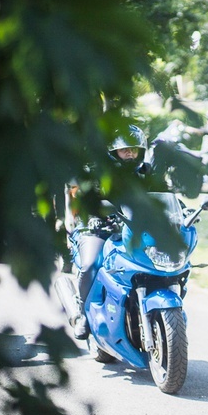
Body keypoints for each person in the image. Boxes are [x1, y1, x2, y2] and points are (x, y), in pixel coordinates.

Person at [70, 125, 148, 339]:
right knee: (90, 265)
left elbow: (164, 198)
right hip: (98, 229)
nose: (130, 154)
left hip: (132, 232)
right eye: (125, 150)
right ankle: (82, 312)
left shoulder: (145, 173)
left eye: (134, 149)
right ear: (113, 153)